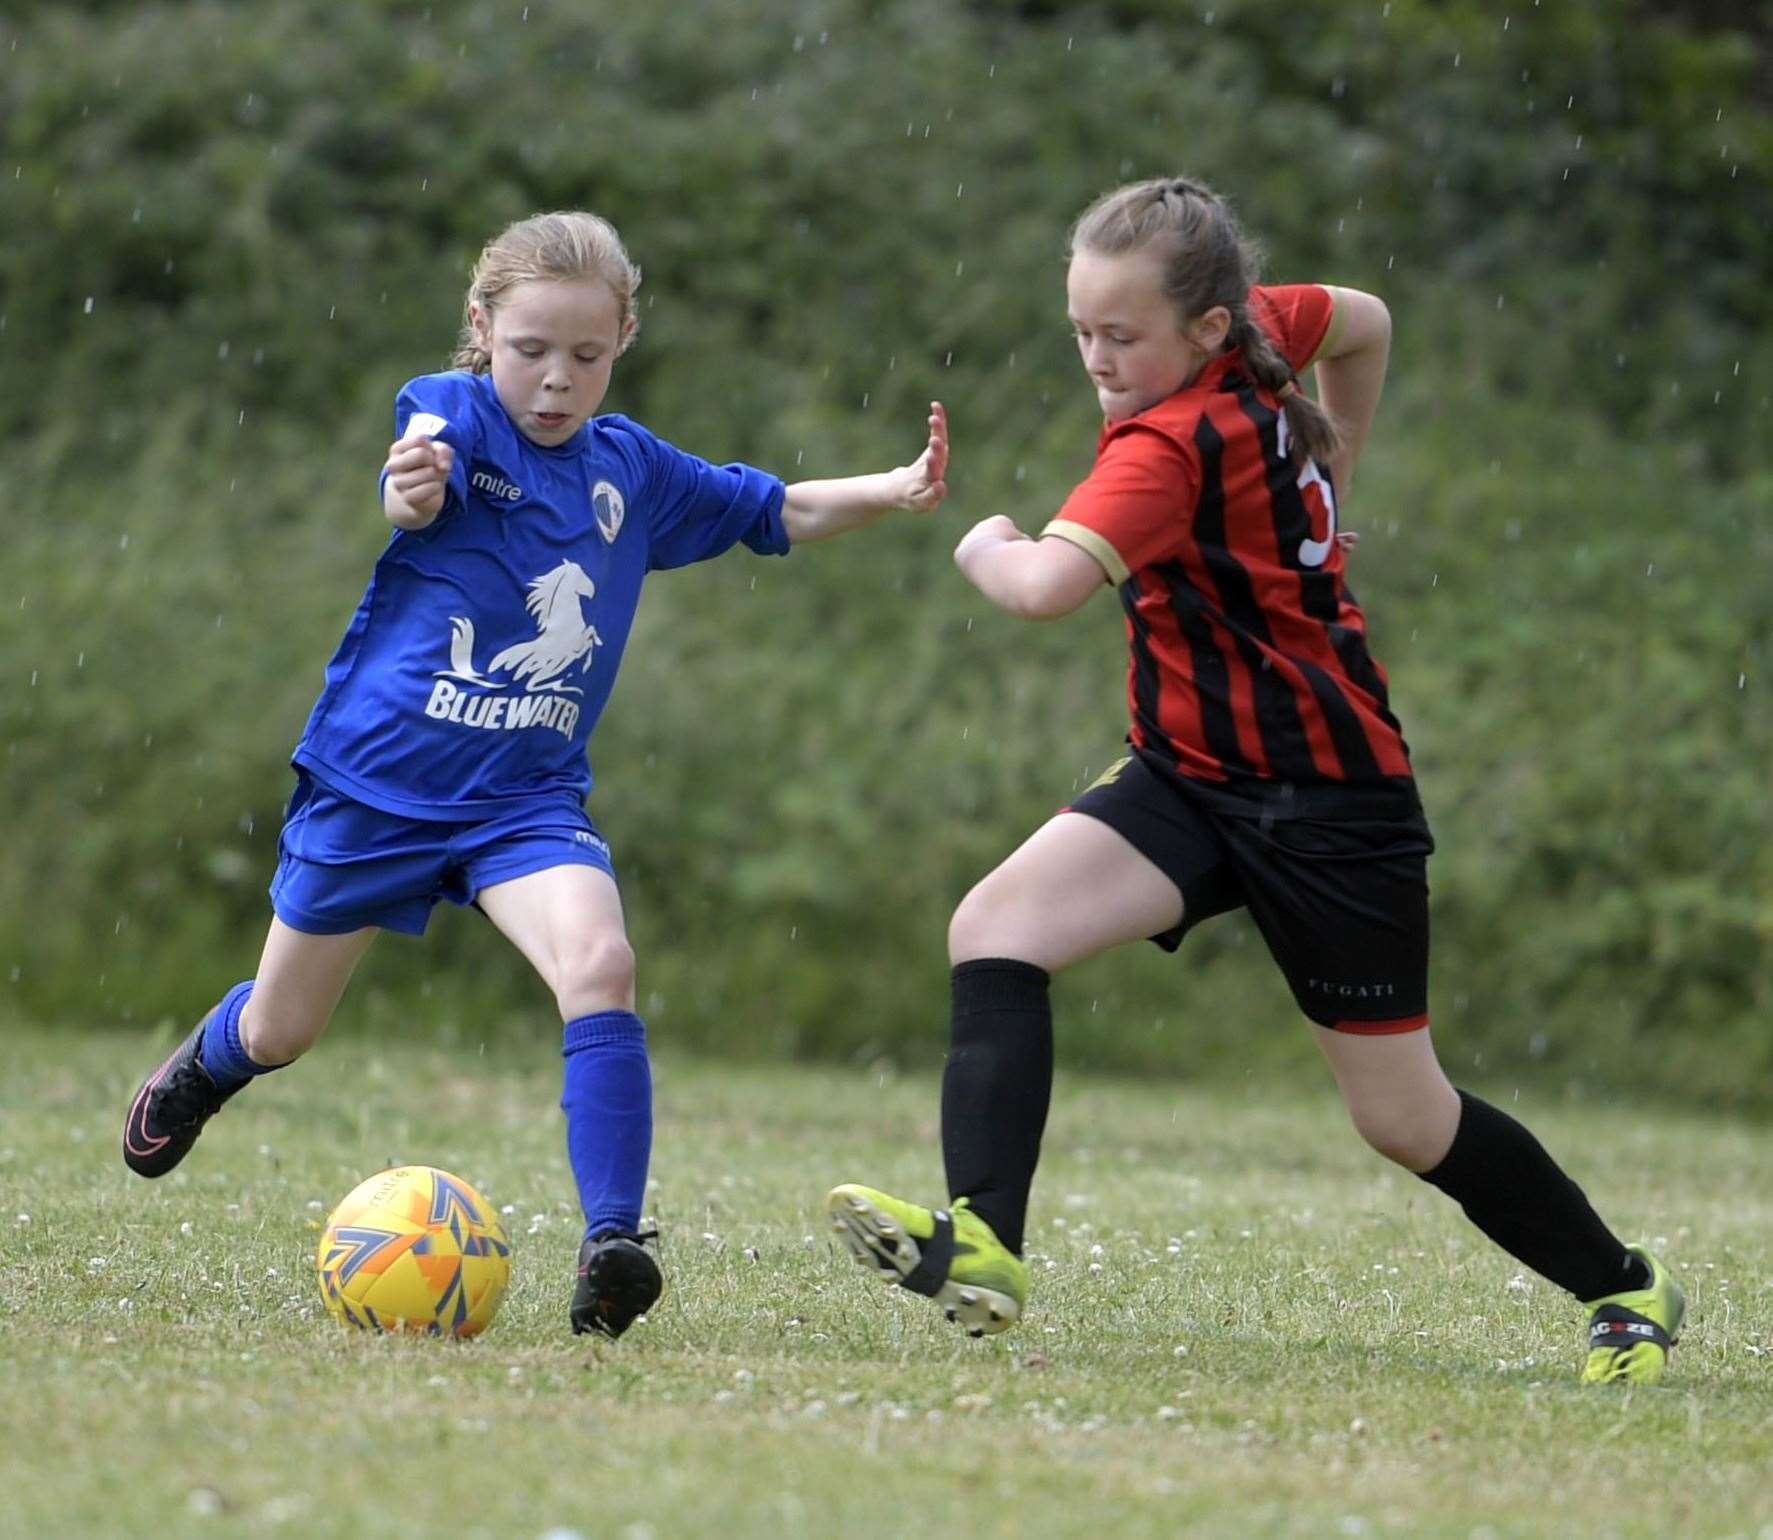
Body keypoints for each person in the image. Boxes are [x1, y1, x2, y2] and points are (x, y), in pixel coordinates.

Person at [826, 175, 1684, 1385]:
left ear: (1211, 330)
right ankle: (985, 1243)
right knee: (996, 928)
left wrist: (988, 542)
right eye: (1081, 331)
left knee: (1405, 1118)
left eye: (1121, 336)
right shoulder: (1260, 332)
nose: (1097, 359)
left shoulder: (1170, 450)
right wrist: (1342, 463)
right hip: (1192, 777)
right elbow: (1370, 318)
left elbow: (1040, 593)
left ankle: (1629, 1290)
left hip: (1334, 806)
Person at [123, 209, 949, 1341]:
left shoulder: (633, 472)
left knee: (601, 962)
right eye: (530, 351)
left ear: (620, 345)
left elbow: (779, 508)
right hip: (378, 788)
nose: (556, 381)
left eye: (586, 356)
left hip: (526, 800)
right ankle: (204, 1069)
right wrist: (408, 489)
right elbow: (413, 471)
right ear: (481, 330)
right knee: (281, 1030)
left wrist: (896, 487)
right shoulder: (454, 413)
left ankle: (614, 1243)